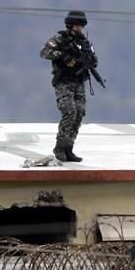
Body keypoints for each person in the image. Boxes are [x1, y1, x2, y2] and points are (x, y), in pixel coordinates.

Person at [39, 10, 102, 162]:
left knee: (79, 114)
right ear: (70, 25)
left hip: (78, 82)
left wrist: (89, 62)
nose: (79, 28)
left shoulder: (85, 43)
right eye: (76, 25)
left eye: (81, 25)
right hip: (64, 82)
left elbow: (94, 59)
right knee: (69, 112)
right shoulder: (61, 38)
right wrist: (63, 56)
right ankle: (59, 148)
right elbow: (44, 52)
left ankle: (69, 148)